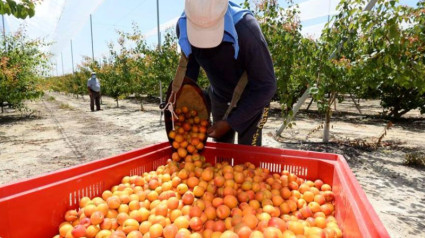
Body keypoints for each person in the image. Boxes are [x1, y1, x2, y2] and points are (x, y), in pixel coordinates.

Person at [176, 0, 276, 146]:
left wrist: (231, 123)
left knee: (248, 156)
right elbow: (190, 67)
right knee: (221, 156)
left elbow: (266, 86)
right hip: (219, 94)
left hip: (252, 98)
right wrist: (186, 104)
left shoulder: (246, 29)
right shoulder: (184, 27)